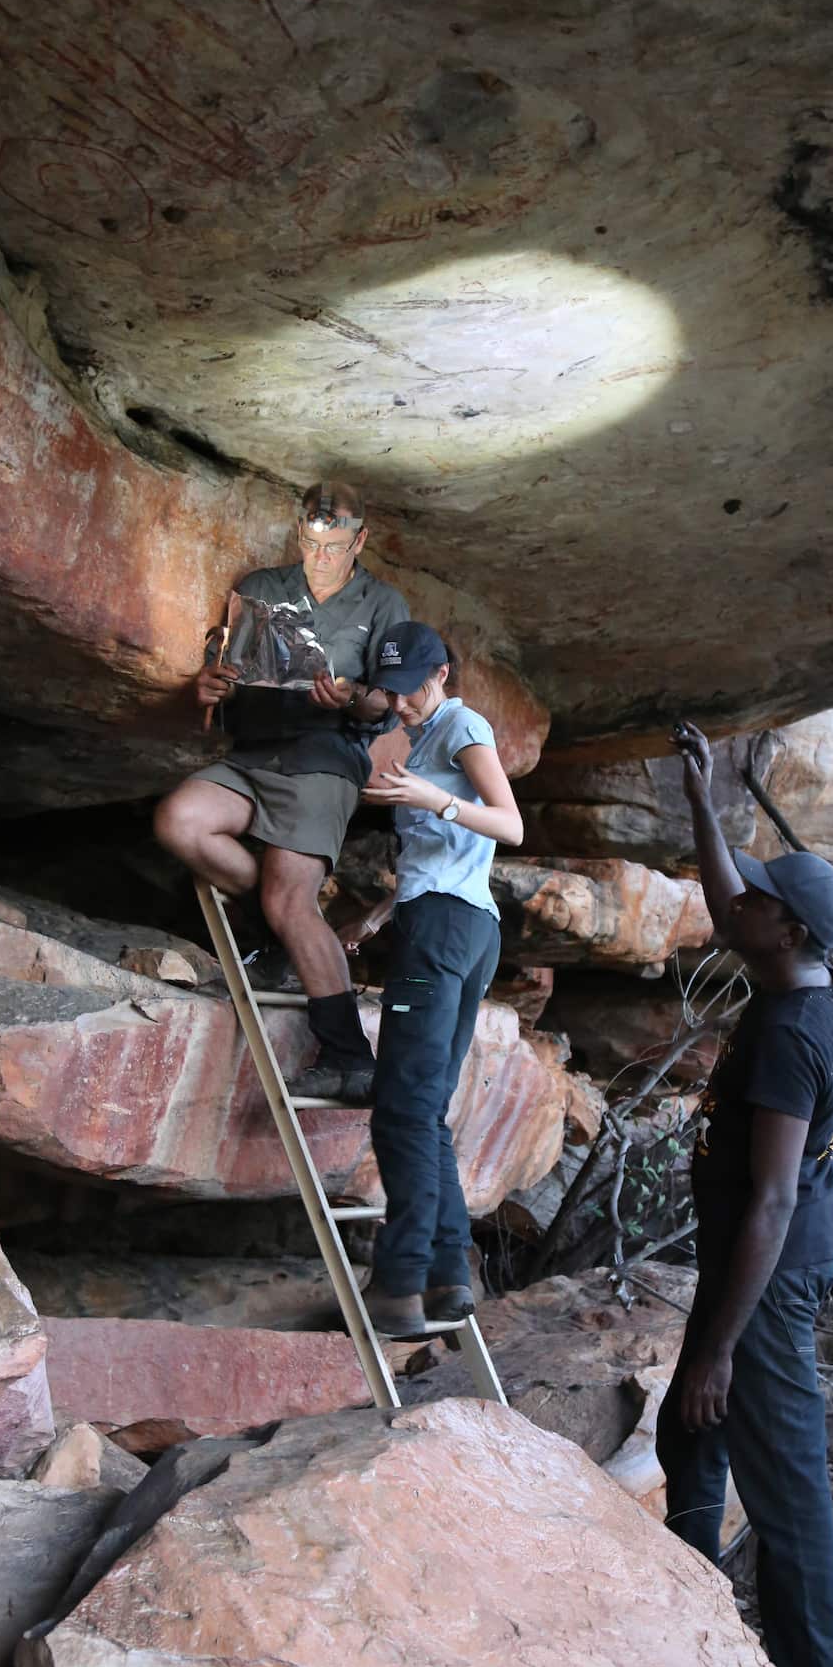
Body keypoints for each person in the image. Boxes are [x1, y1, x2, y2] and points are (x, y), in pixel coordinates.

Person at [654, 722, 833, 1667]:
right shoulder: (803, 978)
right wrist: (701, 799)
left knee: (786, 1498)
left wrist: (718, 1350)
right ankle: (685, 1629)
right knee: (683, 1440)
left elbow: (772, 1199)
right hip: (759, 1273)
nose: (740, 899)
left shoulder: (785, 1036)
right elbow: (730, 894)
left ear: (783, 926)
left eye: (760, 893)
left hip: (765, 1287)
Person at [153, 481, 409, 1103]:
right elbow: (234, 673)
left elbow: (389, 701)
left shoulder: (382, 603)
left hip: (325, 756)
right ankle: (283, 930)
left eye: (337, 544)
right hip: (254, 753)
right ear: (301, 532)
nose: (323, 554)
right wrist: (210, 687)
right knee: (180, 821)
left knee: (291, 902)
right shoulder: (263, 587)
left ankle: (351, 1056)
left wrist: (351, 695)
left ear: (359, 540)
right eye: (314, 540)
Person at [336, 622, 523, 1337]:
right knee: (428, 1110)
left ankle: (399, 1282)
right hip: (462, 926)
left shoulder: (460, 722)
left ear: (440, 672)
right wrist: (382, 914)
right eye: (391, 687)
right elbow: (449, 857)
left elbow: (509, 826)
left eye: (412, 685)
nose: (400, 700)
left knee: (403, 1108)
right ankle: (450, 1277)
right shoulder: (420, 734)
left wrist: (427, 796)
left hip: (446, 931)